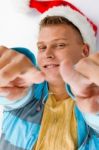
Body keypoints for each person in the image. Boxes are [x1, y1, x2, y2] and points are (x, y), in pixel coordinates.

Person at [0, 1, 99, 150]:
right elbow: (14, 98)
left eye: (60, 45)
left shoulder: (92, 102)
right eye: (42, 47)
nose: (47, 54)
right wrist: (7, 79)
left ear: (84, 51)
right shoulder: (25, 93)